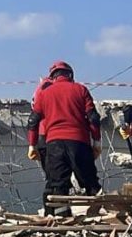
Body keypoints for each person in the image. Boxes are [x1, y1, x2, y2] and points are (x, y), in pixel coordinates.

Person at [27, 60, 102, 215]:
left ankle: (62, 219)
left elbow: (32, 120)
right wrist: (97, 142)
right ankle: (102, 213)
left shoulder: (44, 93)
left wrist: (32, 145)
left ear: (53, 77)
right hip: (79, 142)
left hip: (54, 144)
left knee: (58, 185)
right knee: (90, 182)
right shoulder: (81, 89)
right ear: (70, 75)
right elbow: (93, 118)